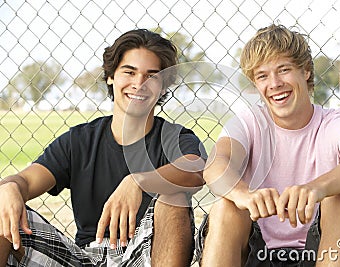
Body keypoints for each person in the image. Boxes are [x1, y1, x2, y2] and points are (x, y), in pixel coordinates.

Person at [0, 29, 207, 266]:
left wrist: (139, 181)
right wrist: (10, 187)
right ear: (111, 76)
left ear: (163, 86)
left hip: (144, 255)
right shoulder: (79, 140)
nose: (139, 83)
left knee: (174, 195)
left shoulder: (174, 138)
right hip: (84, 257)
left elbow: (197, 169)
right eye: (129, 72)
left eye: (152, 76)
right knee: (3, 203)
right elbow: (25, 181)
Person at [197, 24, 340, 266]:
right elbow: (216, 166)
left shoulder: (333, 122)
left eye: (283, 70)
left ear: (305, 71)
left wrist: (316, 188)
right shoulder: (249, 122)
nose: (274, 84)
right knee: (227, 205)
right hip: (255, 249)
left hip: (324, 249)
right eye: (262, 76)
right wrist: (242, 194)